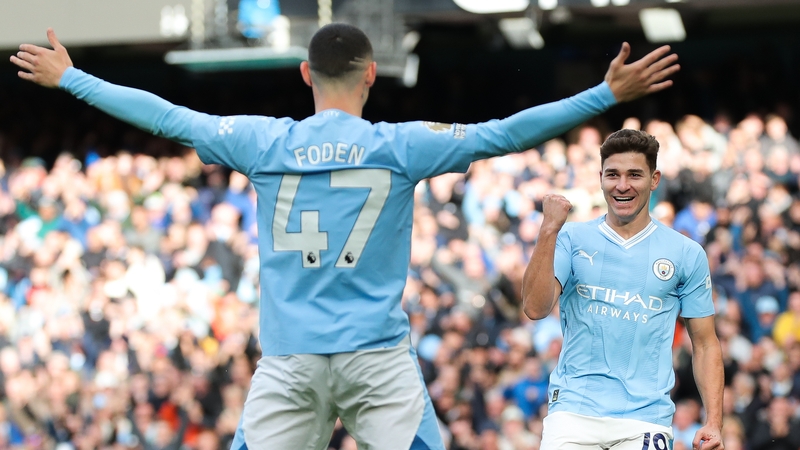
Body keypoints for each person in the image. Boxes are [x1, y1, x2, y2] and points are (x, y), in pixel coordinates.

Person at [12, 25, 679, 450]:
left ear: (305, 74)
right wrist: (602, 96)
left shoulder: (261, 141)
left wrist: (71, 77)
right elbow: (502, 133)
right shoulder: (401, 146)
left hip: (289, 363)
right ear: (371, 74)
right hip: (376, 362)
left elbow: (167, 117)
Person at [522, 129, 724, 449]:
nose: (622, 185)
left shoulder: (686, 253)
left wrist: (714, 421)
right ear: (600, 178)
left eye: (634, 175)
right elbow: (535, 308)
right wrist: (548, 230)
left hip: (646, 418)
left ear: (654, 180)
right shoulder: (571, 238)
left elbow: (705, 344)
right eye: (613, 174)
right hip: (573, 413)